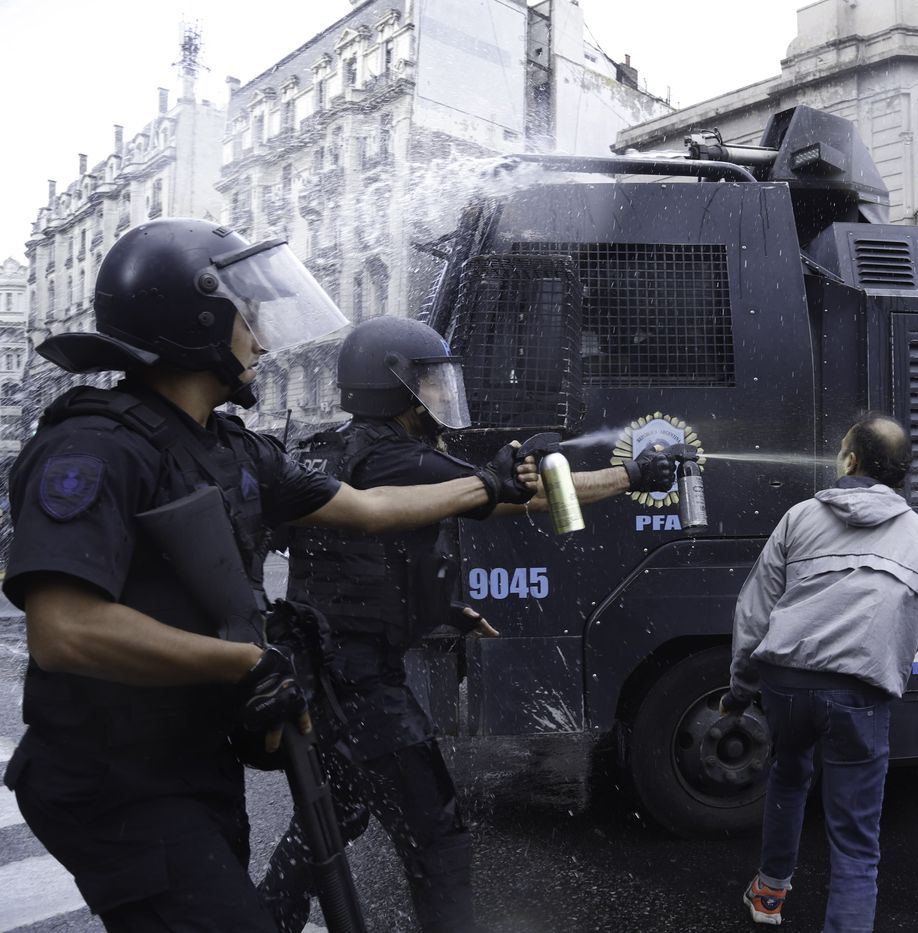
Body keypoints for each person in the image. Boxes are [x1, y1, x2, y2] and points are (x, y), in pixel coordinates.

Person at [0, 218, 540, 933]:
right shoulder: (95, 446)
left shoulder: (234, 449)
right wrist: (244, 663)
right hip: (109, 776)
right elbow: (64, 628)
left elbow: (370, 508)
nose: (257, 338)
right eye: (244, 317)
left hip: (190, 762)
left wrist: (488, 488)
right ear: (197, 320)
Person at [257, 315, 678, 933]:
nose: (439, 395)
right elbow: (526, 499)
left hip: (325, 669)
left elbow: (354, 563)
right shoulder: (394, 458)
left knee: (339, 810)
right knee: (439, 834)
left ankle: (270, 913)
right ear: (392, 386)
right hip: (359, 680)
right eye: (428, 382)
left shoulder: (339, 449)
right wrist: (636, 474)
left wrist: (442, 610)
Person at [721, 414, 918, 932]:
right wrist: (885, 673)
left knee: (789, 777)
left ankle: (770, 894)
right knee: (855, 843)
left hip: (787, 686)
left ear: (851, 461)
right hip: (860, 696)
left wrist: (740, 687)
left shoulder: (799, 517)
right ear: (903, 472)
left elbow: (754, 611)